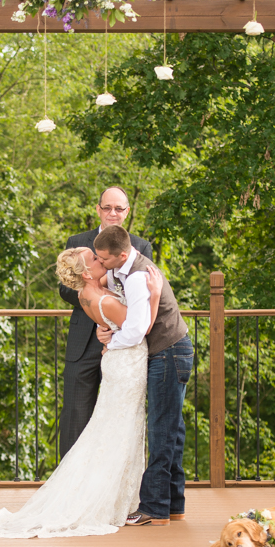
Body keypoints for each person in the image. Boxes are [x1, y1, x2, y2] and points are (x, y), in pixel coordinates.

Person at [0, 248, 163, 538]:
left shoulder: (86, 295)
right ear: (85, 273)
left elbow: (111, 324)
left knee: (109, 430)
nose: (101, 261)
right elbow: (141, 328)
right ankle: (112, 500)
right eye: (95, 259)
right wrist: (153, 295)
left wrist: (108, 333)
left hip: (117, 362)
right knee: (120, 430)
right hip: (127, 364)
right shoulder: (103, 297)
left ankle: (118, 497)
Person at [95, 225, 194, 526]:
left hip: (169, 352)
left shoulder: (139, 278)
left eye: (104, 259)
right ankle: (174, 504)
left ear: (122, 255)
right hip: (171, 351)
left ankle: (154, 507)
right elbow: (102, 281)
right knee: (172, 430)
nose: (101, 264)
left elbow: (138, 331)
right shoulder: (122, 269)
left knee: (161, 430)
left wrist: (112, 342)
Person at [58, 186, 152, 457]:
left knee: (116, 418)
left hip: (123, 346)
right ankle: (69, 485)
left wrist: (110, 317)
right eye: (107, 207)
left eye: (119, 208)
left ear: (127, 212)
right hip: (83, 343)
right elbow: (65, 288)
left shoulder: (140, 246)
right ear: (98, 210)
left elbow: (140, 294)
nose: (113, 213)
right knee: (75, 416)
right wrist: (96, 308)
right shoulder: (77, 241)